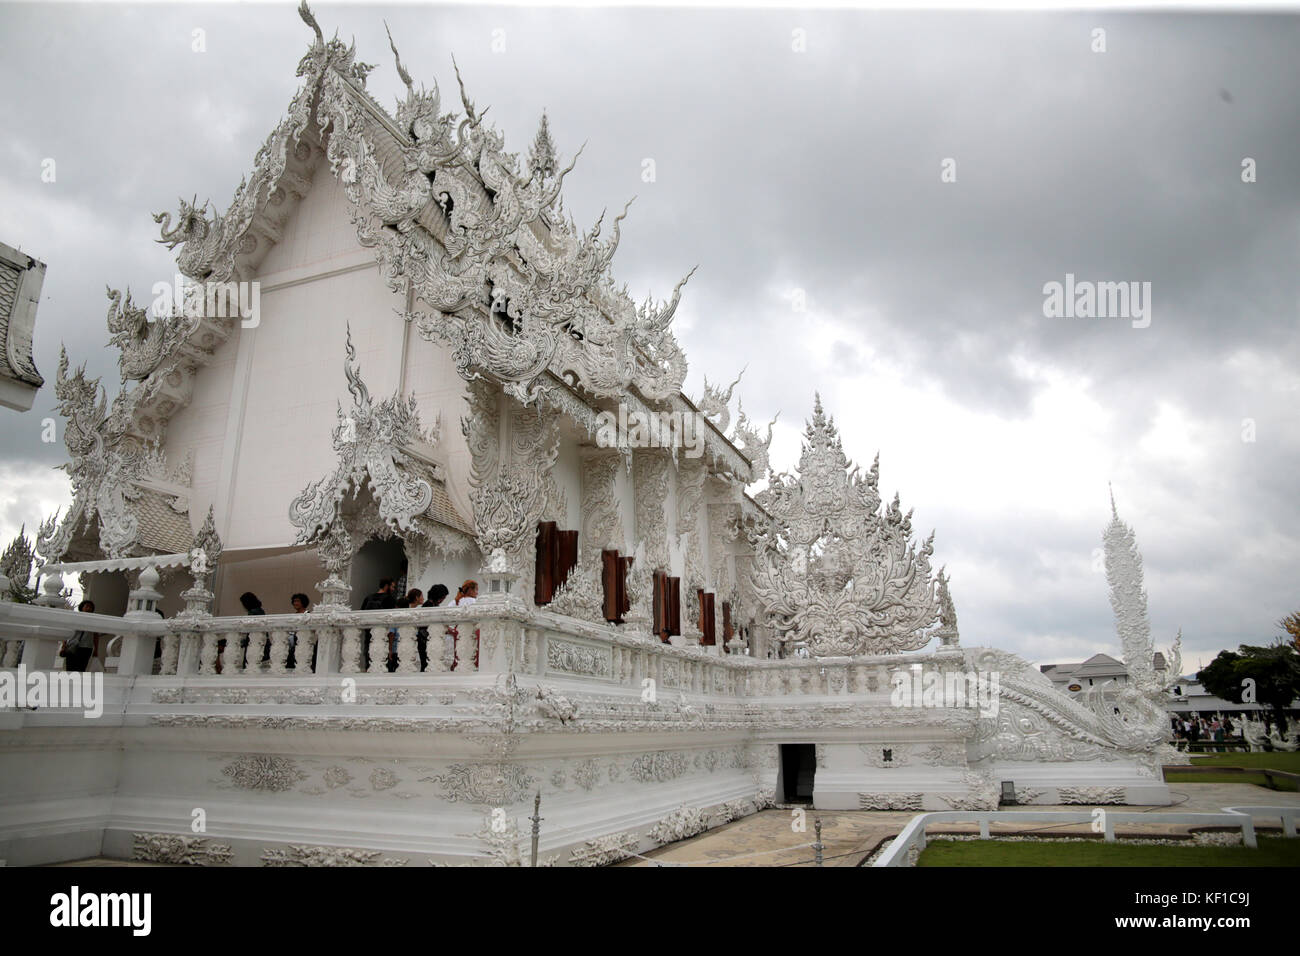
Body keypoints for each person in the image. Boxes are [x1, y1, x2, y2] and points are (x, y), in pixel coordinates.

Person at [359, 579, 396, 671]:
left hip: (369, 633)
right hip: (383, 635)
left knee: (369, 659)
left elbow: (361, 615)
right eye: (392, 586)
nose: (393, 589)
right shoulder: (390, 599)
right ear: (386, 586)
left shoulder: (368, 598)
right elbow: (392, 618)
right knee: (383, 662)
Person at [61, 600, 98, 673]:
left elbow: (95, 636)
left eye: (90, 607)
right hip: (72, 645)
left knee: (81, 668)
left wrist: (96, 649)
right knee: (70, 667)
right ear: (82, 607)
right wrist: (64, 645)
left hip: (86, 647)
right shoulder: (74, 618)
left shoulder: (94, 621)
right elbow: (66, 631)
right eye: (87, 606)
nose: (89, 608)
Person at [450, 580, 478, 670]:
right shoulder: (475, 602)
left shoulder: (455, 601)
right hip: (473, 631)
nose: (477, 592)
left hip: (458, 631)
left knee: (459, 651)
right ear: (471, 590)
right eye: (476, 590)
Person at [420, 584, 449, 671]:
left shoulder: (432, 605)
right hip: (425, 639)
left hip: (428, 638)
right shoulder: (428, 606)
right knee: (426, 663)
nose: (443, 600)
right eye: (443, 597)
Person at [288, 592, 310, 669]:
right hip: (293, 642)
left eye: (297, 601)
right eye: (294, 601)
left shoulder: (308, 614)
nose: (295, 603)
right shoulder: (294, 615)